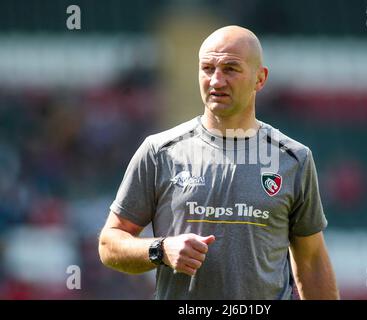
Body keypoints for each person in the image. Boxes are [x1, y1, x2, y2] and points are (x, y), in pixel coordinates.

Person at [98, 25, 340, 300]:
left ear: (260, 78)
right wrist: (161, 250)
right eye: (208, 68)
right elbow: (109, 244)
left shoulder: (293, 159)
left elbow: (311, 262)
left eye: (230, 69)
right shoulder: (159, 152)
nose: (216, 81)